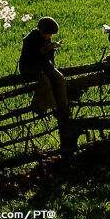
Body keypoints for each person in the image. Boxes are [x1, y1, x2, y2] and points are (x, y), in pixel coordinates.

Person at [19, 17, 74, 148]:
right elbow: (30, 58)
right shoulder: (30, 39)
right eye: (48, 34)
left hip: (44, 66)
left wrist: (51, 51)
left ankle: (62, 106)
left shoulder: (46, 38)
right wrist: (45, 50)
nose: (49, 36)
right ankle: (43, 105)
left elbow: (48, 58)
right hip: (31, 68)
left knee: (60, 78)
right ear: (40, 30)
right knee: (45, 82)